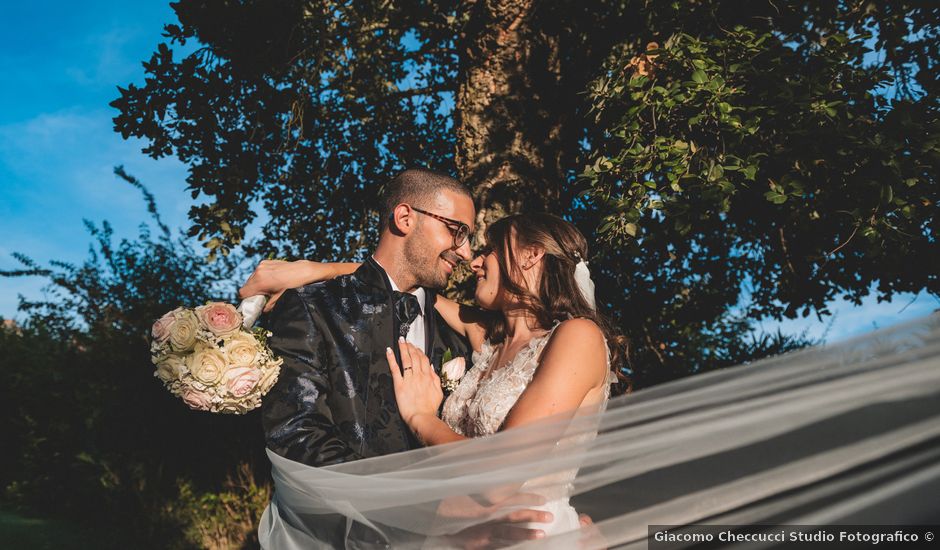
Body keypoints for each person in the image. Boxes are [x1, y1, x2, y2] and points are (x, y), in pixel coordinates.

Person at [243, 212, 624, 539]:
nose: (475, 261)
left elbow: (501, 478)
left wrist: (422, 418)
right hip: (461, 534)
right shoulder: (488, 337)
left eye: (490, 249)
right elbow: (398, 281)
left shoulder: (577, 336)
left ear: (531, 255)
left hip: (531, 534)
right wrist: (312, 271)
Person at [254, 168, 551, 547]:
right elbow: (296, 434)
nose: (465, 252)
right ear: (405, 218)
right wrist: (428, 509)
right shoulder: (313, 308)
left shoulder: (467, 332)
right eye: (456, 231)